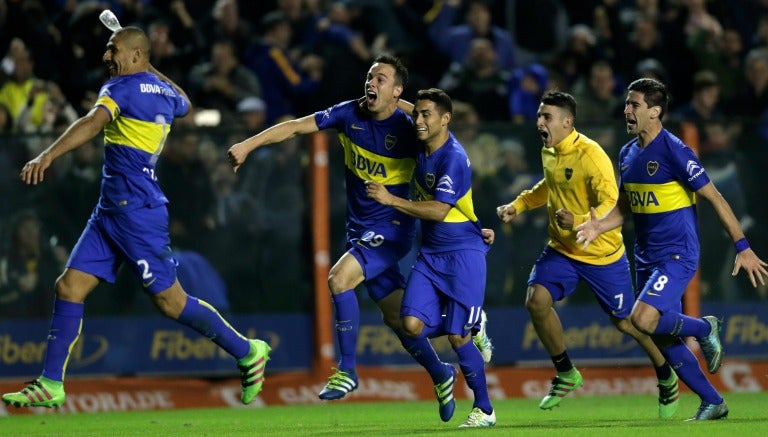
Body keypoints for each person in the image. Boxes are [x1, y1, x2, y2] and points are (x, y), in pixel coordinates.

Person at [1, 26, 269, 409]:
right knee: (69, 288)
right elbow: (185, 102)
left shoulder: (118, 90)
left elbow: (92, 123)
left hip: (136, 214)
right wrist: (151, 67)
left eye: (113, 50)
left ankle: (247, 351)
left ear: (135, 55)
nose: (106, 56)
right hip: (110, 211)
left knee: (171, 303)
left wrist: (47, 155)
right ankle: (50, 382)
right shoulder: (160, 91)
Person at [227, 54, 493, 404]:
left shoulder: (411, 127)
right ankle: (443, 370)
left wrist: (474, 223)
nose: (372, 83)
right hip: (359, 228)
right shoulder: (347, 113)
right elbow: (294, 126)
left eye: (381, 79)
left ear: (397, 91)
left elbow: (447, 167)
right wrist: (248, 144)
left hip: (394, 225)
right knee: (399, 318)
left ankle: (347, 370)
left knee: (339, 279)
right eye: (370, 76)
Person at [575, 78, 768, 420]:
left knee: (642, 319)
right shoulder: (627, 152)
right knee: (661, 334)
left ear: (655, 111)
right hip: (645, 256)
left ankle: (705, 328)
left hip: (677, 254)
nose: (626, 110)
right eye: (627, 104)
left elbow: (715, 198)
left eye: (634, 105)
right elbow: (625, 208)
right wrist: (597, 225)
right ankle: (713, 402)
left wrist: (743, 246)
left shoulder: (675, 151)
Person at [496, 90, 679, 418]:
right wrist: (519, 204)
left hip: (602, 255)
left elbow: (613, 206)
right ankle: (566, 371)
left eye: (546, 117)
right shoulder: (550, 150)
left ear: (568, 122)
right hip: (563, 249)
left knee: (626, 323)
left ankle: (665, 372)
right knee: (536, 300)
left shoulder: (592, 156)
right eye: (539, 115)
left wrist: (579, 220)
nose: (539, 122)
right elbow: (549, 184)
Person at [365, 88, 495, 427]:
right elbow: (415, 112)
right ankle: (467, 320)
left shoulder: (452, 156)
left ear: (445, 120)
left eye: (426, 115)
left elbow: (439, 209)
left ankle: (485, 409)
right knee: (408, 325)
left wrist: (390, 200)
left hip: (463, 255)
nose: (418, 120)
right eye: (417, 114)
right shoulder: (422, 138)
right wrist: (390, 98)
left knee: (457, 337)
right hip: (432, 254)